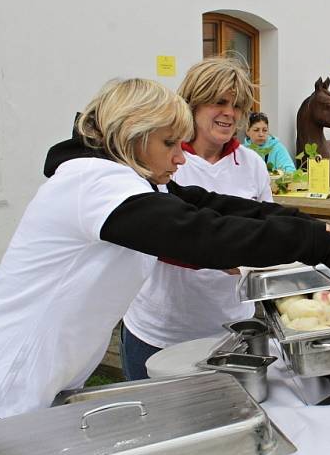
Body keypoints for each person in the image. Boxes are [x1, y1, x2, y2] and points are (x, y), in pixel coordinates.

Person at [0, 78, 330, 419]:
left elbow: (212, 204)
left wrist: (311, 226)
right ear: (132, 137)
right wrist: (320, 246)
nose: (180, 156)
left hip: (42, 376)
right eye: (169, 143)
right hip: (8, 383)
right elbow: (204, 235)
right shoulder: (94, 183)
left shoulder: (129, 181)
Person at [119, 58, 290, 380]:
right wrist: (224, 257)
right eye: (219, 102)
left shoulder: (251, 163)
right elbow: (151, 238)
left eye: (237, 105)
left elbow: (265, 230)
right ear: (192, 105)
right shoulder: (161, 158)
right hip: (159, 331)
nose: (230, 113)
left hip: (230, 330)